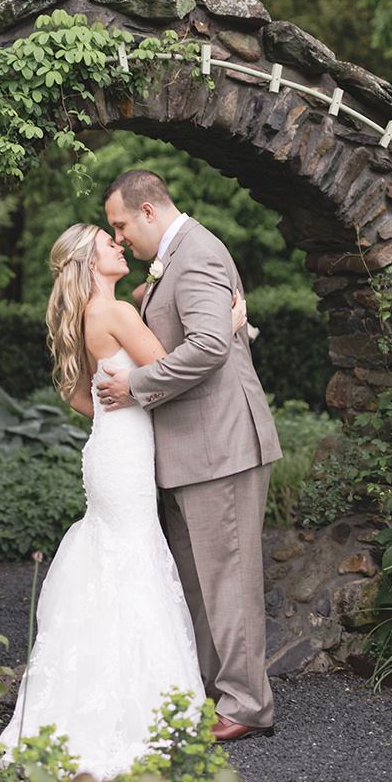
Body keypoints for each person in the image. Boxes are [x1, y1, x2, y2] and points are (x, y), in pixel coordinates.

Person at [0, 223, 245, 780]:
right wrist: (226, 328)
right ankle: (142, 709)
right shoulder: (117, 315)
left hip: (107, 448)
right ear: (90, 263)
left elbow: (82, 397)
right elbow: (170, 368)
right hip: (126, 457)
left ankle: (95, 694)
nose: (118, 244)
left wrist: (119, 408)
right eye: (107, 244)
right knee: (135, 563)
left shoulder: (88, 316)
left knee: (114, 559)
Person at [97, 170, 282, 742]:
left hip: (220, 445)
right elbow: (211, 334)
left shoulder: (197, 251)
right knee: (200, 581)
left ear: (149, 210)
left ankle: (248, 704)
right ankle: (211, 689)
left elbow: (206, 347)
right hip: (191, 446)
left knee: (227, 578)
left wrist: (137, 386)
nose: (121, 237)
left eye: (121, 225)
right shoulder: (171, 259)